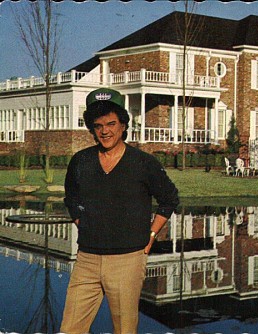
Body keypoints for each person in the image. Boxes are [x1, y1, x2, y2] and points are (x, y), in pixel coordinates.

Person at [60, 88, 179, 333]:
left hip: (128, 260)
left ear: (123, 124)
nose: (105, 131)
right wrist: (84, 222)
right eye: (98, 125)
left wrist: (152, 235)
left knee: (124, 329)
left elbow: (169, 198)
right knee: (70, 328)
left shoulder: (143, 163)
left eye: (111, 123)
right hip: (87, 260)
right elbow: (71, 198)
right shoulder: (81, 161)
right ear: (92, 129)